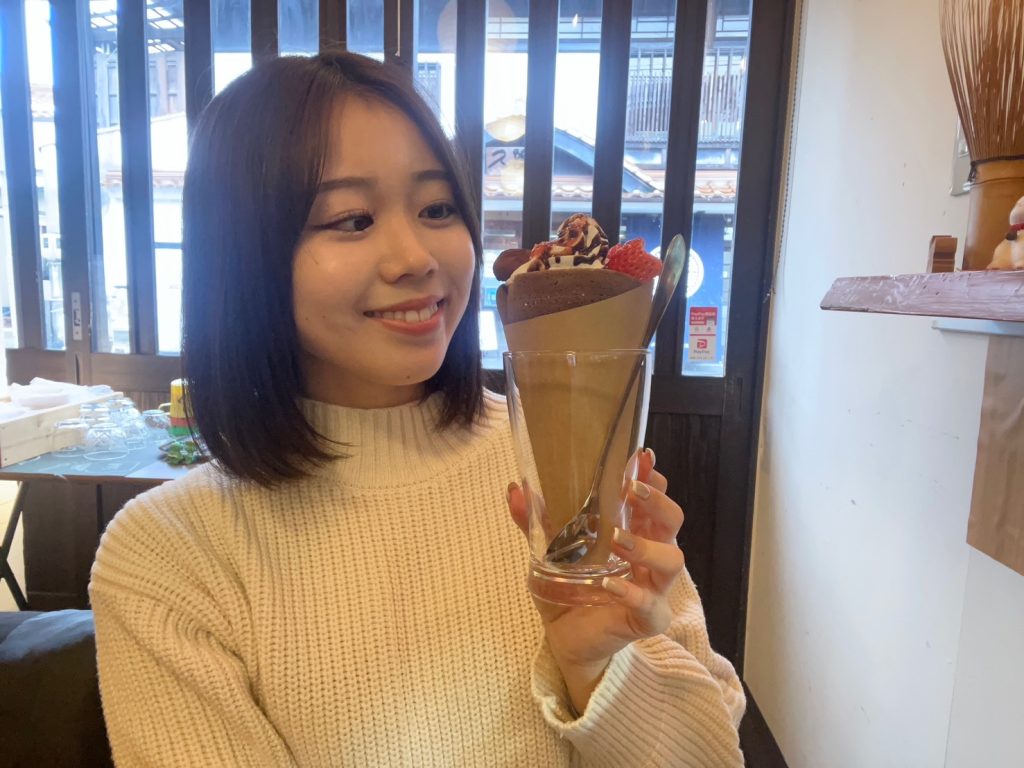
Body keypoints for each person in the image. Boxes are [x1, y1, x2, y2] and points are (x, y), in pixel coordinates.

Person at [89, 52, 745, 767]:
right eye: (351, 219)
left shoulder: (566, 466)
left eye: (436, 208)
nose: (416, 257)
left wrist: (597, 671)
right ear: (244, 257)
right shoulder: (169, 554)